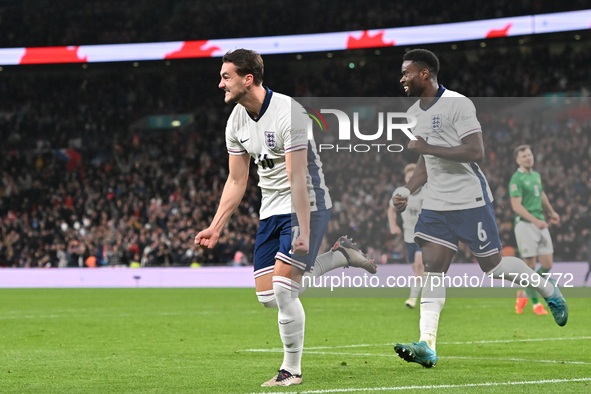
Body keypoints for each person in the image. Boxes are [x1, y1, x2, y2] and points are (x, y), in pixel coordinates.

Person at [194, 49, 376, 387]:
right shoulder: (235, 120)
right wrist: (216, 226)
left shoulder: (289, 112)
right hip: (270, 210)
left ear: (248, 79)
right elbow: (236, 180)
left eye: (226, 76)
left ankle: (291, 370)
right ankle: (341, 256)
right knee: (268, 297)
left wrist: (304, 230)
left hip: (307, 203)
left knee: (282, 290)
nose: (220, 83)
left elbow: (297, 178)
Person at [392, 48, 568, 369]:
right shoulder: (415, 113)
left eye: (406, 73)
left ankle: (545, 287)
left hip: (470, 199)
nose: (401, 78)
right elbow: (424, 163)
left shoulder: (458, 104)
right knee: (433, 266)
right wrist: (407, 189)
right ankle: (427, 344)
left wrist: (426, 146)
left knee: (494, 267)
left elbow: (476, 151)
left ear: (424, 74)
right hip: (437, 203)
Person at [509, 144, 561, 315]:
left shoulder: (536, 175)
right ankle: (536, 304)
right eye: (524, 156)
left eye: (529, 155)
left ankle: (523, 293)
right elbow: (516, 206)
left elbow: (542, 195)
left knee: (547, 264)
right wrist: (535, 221)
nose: (528, 158)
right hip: (525, 224)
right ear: (518, 160)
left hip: (540, 222)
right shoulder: (516, 179)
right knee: (529, 267)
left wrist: (551, 212)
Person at [388, 163, 425, 308]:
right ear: (405, 178)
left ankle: (413, 299)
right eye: (409, 177)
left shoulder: (427, 191)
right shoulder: (400, 193)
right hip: (408, 235)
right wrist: (393, 226)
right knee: (416, 268)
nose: (411, 180)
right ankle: (427, 286)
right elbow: (391, 210)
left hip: (424, 233)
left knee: (418, 264)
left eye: (414, 177)